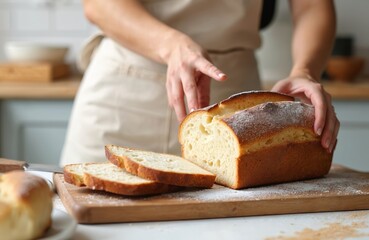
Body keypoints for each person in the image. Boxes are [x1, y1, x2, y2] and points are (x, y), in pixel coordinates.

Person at [60, 0, 339, 166]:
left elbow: (313, 6)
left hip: (233, 98)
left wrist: (305, 70)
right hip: (124, 88)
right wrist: (169, 44)